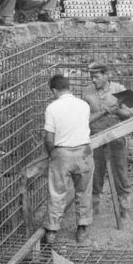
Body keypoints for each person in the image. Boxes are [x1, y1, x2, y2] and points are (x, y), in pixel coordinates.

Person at [43, 74, 94, 246]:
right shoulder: (84, 105)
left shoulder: (52, 108)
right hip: (84, 152)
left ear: (55, 90)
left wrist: (52, 154)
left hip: (62, 154)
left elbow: (49, 138)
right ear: (68, 87)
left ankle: (52, 231)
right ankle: (82, 229)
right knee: (84, 191)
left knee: (57, 193)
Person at [83, 61, 133, 220]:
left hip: (116, 137)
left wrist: (117, 110)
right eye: (91, 77)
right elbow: (84, 118)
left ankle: (124, 205)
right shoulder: (87, 92)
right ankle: (94, 205)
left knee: (120, 172)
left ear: (107, 75)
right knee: (95, 173)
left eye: (96, 77)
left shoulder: (120, 89)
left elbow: (132, 112)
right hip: (95, 138)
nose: (93, 80)